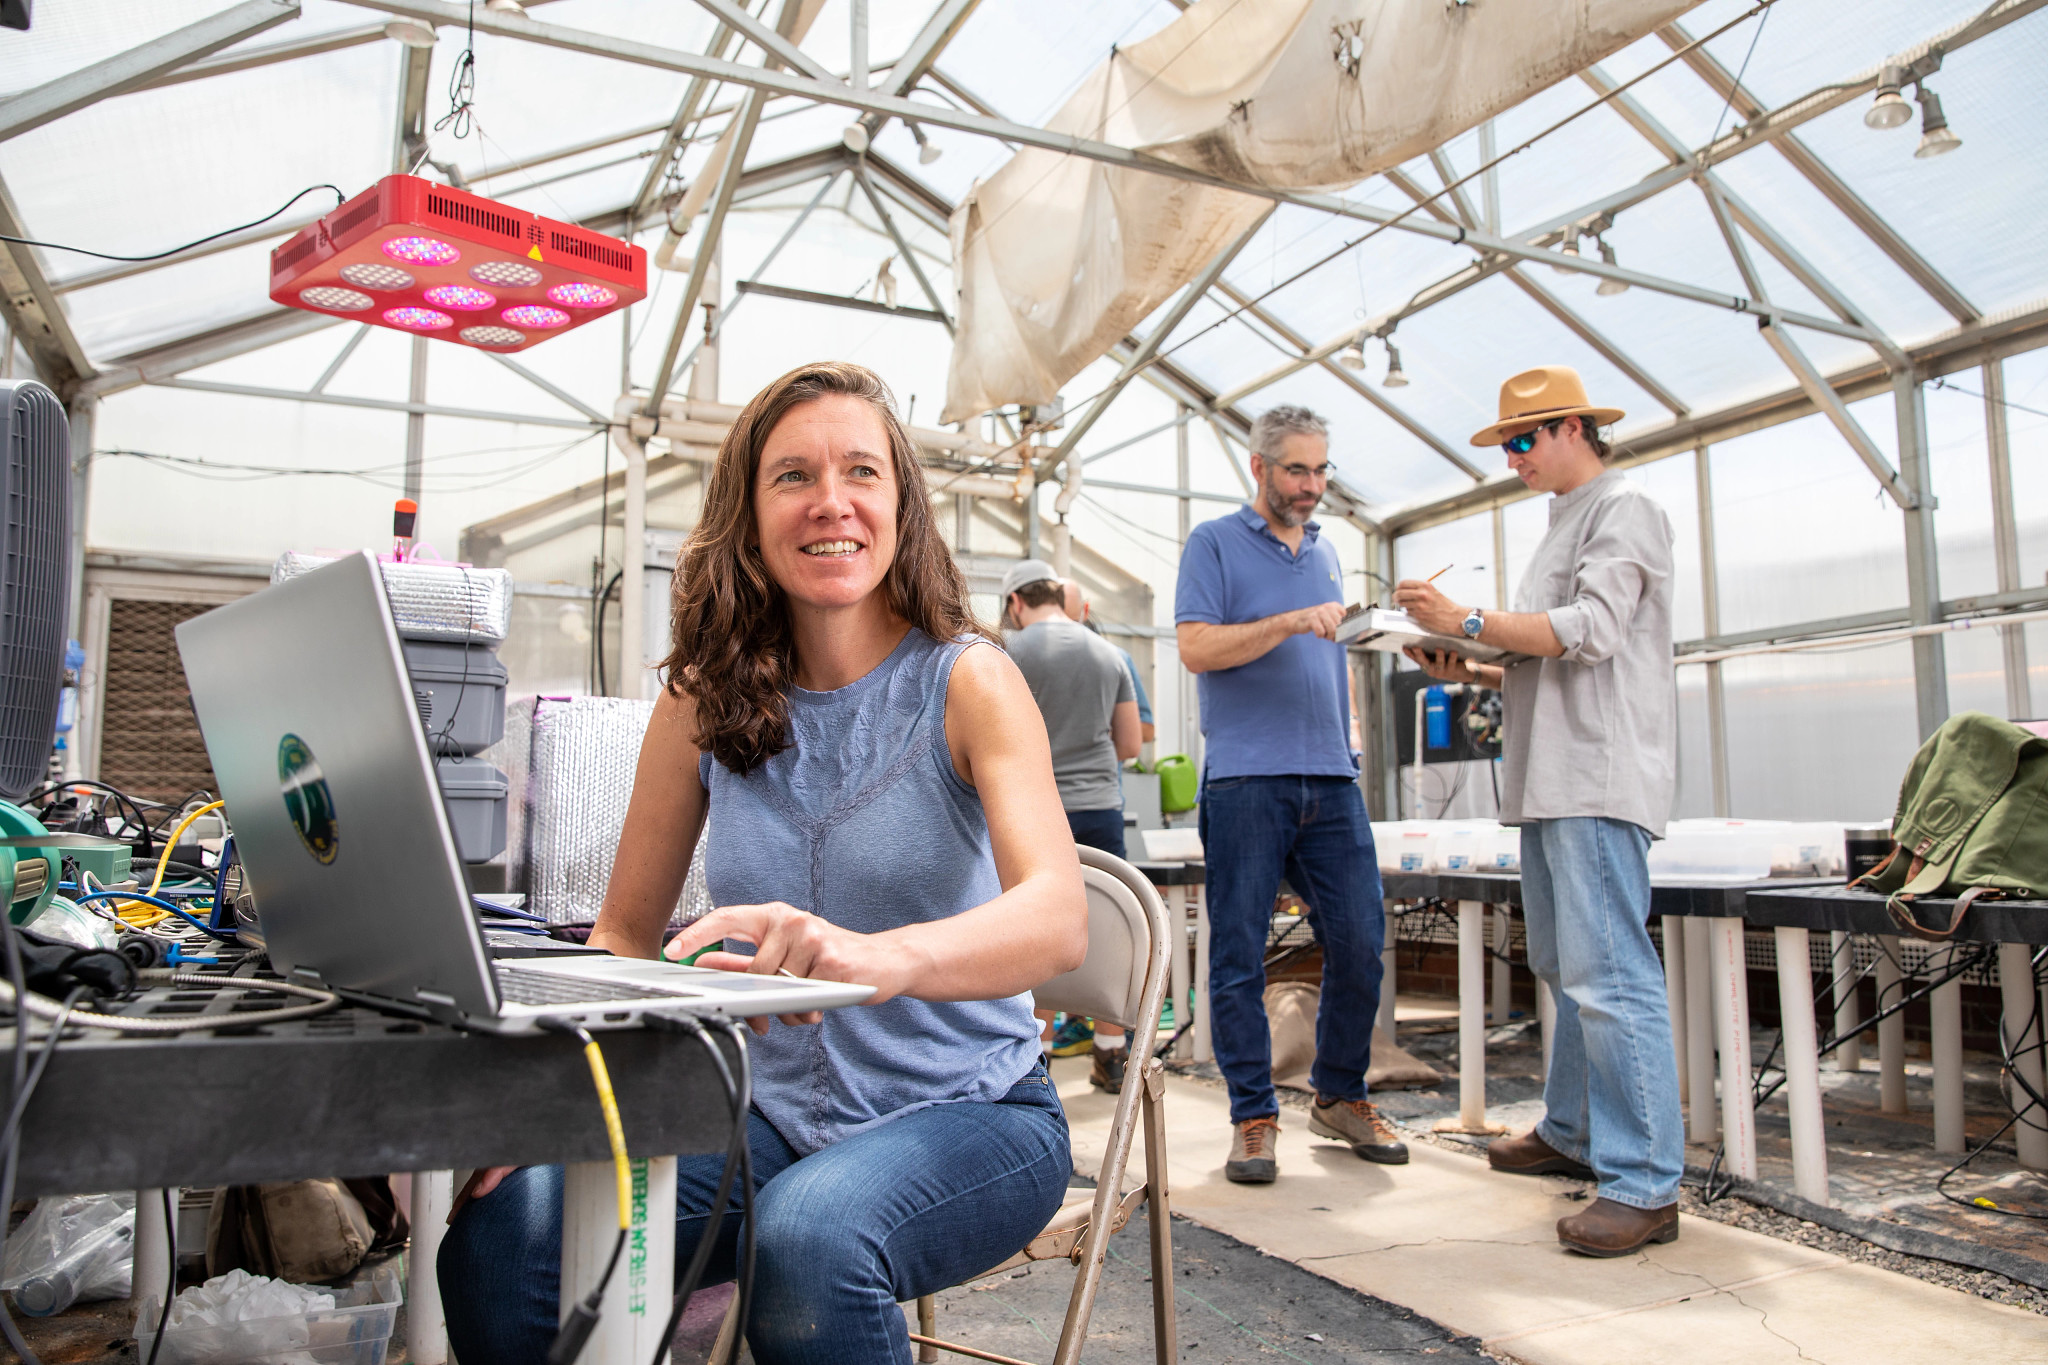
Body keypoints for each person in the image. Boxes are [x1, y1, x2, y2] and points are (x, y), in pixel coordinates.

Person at [437, 361, 1087, 1364]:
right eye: (792, 476)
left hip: (972, 1115)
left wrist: (882, 959)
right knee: (506, 1232)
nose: (832, 502)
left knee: (810, 1241)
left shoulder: (969, 680)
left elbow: (1055, 916)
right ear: (747, 514)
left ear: (901, 506)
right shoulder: (700, 698)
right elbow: (619, 937)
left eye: (860, 472)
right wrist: (556, 1106)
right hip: (764, 1117)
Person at [1394, 364, 1682, 1258]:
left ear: (1573, 429)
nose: (1513, 457)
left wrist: (1470, 619)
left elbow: (1591, 631)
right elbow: (1554, 653)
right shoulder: (1568, 522)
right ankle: (1572, 1128)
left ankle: (1644, 1184)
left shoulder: (1623, 508)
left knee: (1610, 975)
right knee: (1565, 963)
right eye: (1505, 445)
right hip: (1557, 779)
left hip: (1595, 778)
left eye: (1523, 440)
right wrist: (1469, 663)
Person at [1175, 403, 1405, 1185]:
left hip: (1330, 776)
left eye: (1321, 470)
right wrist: (1285, 621)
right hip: (1246, 777)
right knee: (1238, 952)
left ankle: (1339, 1094)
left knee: (1362, 938)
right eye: (1297, 470)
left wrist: (1349, 735)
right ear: (1260, 469)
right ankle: (1253, 1116)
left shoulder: (1328, 551)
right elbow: (1197, 645)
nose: (1311, 486)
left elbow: (1325, 653)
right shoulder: (1213, 544)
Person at [1002, 558, 1140, 1093]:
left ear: (1016, 602)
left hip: (1032, 810)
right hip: (1101, 805)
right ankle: (1110, 1052)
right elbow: (1129, 744)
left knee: (1031, 927)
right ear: (1061, 596)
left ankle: (1037, 1053)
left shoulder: (1004, 653)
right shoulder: (1111, 653)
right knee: (1104, 925)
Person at [1062, 578, 1156, 745]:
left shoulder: (1117, 659)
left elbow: (1147, 731)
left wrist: (1099, 730)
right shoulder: (1032, 661)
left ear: (1086, 609)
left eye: (1072, 623)